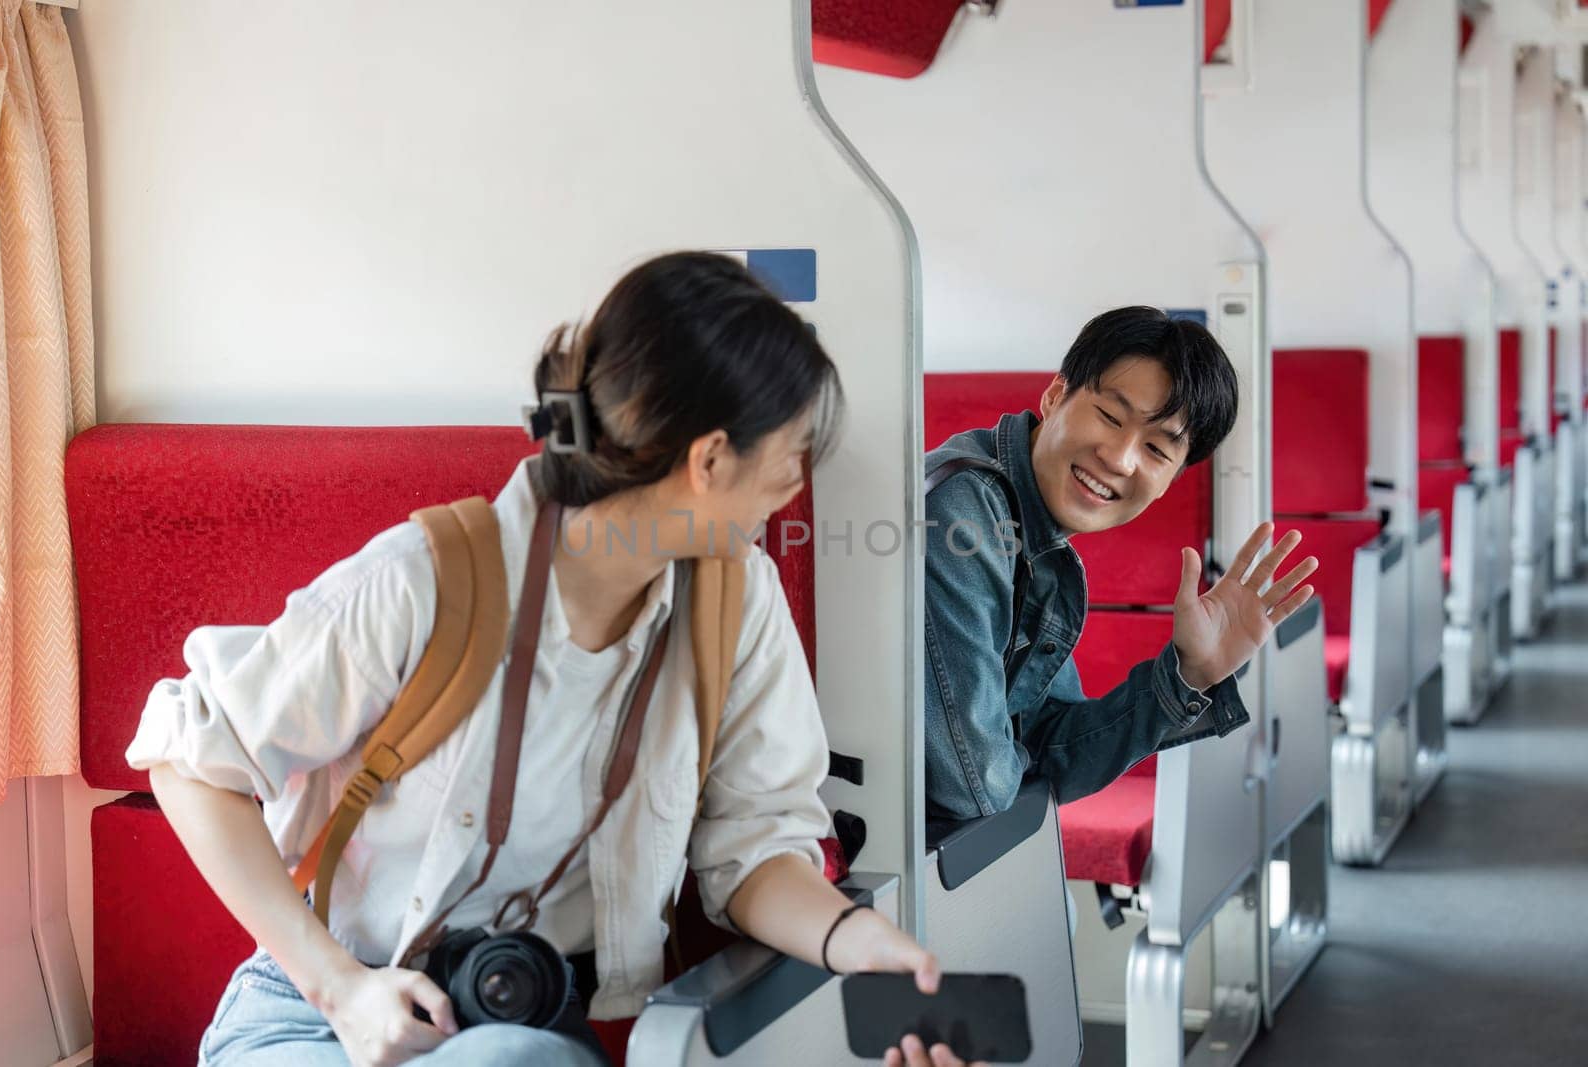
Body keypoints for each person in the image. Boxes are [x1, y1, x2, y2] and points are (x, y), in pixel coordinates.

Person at [131, 252, 980, 1067]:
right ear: (710, 459)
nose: (800, 479)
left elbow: (755, 849)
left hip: (516, 1029)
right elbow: (194, 762)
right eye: (792, 450)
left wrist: (856, 941)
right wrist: (344, 989)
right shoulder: (422, 582)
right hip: (313, 1016)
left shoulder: (736, 602)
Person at [923, 306, 1318, 819]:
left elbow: (1052, 751)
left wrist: (1189, 676)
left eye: (1156, 449)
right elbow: (975, 786)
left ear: (1172, 480)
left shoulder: (1037, 541)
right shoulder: (964, 512)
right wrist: (1015, 760)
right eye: (1110, 417)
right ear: (1054, 395)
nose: (1120, 459)